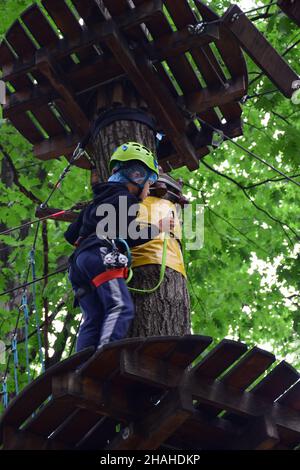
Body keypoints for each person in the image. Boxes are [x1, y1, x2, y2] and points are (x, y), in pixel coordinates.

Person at [64, 142, 174, 352]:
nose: (149, 190)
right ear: (137, 177)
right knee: (120, 306)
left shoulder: (97, 201)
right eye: (150, 183)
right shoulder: (127, 199)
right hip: (100, 256)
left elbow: (70, 234)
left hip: (79, 264)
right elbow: (129, 233)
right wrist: (158, 228)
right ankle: (103, 357)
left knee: (93, 318)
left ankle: (79, 367)